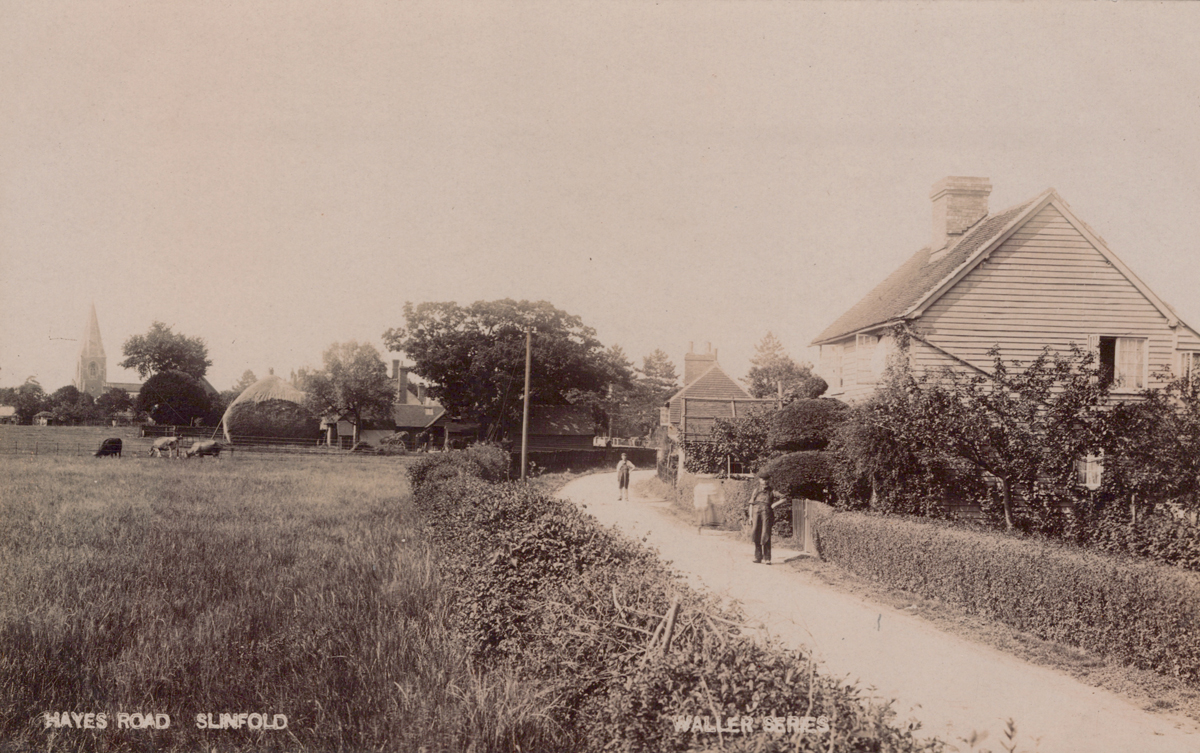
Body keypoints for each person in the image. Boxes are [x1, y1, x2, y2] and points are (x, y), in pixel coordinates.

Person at [749, 477, 785, 564]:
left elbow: (784, 498)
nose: (764, 481)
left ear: (768, 481)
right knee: (756, 533)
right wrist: (750, 517)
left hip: (766, 514)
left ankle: (767, 558)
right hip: (755, 513)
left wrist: (773, 505)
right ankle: (758, 557)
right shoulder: (756, 490)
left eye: (766, 480)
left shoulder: (772, 491)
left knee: (766, 534)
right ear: (759, 480)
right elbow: (751, 504)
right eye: (762, 479)